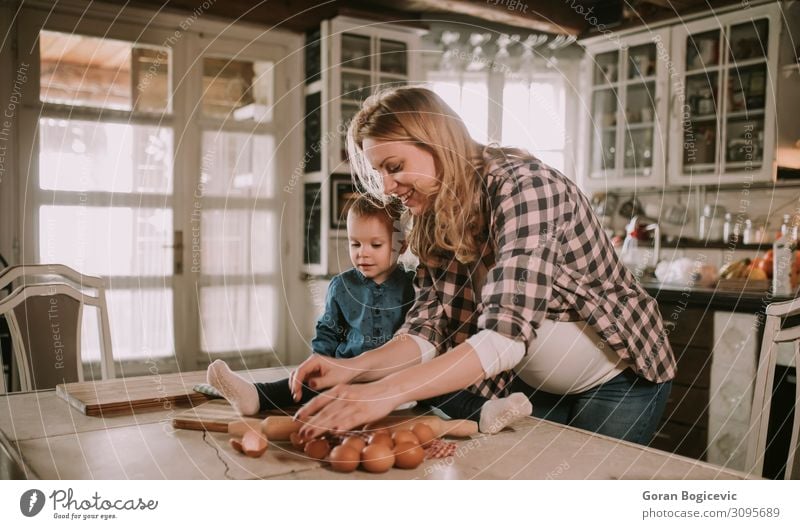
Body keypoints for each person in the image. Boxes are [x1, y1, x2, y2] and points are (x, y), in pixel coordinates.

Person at [289, 86, 675, 444]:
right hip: (534, 389)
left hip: (621, 380)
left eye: (394, 166)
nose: (387, 187)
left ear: (437, 143)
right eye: (379, 173)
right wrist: (353, 368)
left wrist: (386, 391)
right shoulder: (432, 211)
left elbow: (503, 335)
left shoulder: (527, 188)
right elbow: (427, 330)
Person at [207, 194, 531, 433]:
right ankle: (254, 396)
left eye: (375, 245)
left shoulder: (413, 284)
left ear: (400, 246)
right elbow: (328, 332)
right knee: (302, 385)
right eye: (354, 244)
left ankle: (487, 411)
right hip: (350, 373)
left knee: (441, 387)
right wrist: (321, 363)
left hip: (401, 377)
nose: (362, 254)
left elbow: (427, 334)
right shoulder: (340, 286)